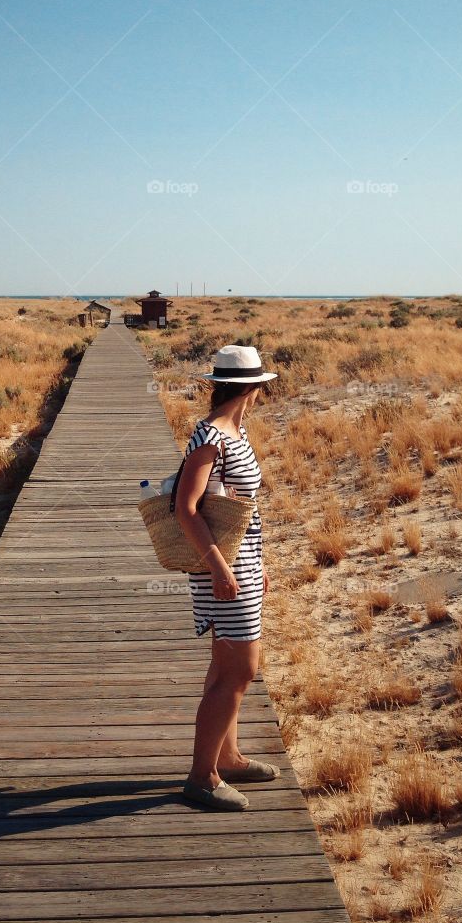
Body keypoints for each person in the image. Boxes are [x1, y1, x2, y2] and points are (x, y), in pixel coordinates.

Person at [173, 343, 280, 811]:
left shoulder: (235, 430)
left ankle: (230, 757)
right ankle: (203, 776)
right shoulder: (211, 437)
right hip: (223, 567)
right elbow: (186, 508)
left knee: (224, 666)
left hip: (242, 564)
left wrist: (259, 565)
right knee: (240, 671)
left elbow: (240, 509)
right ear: (252, 387)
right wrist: (220, 566)